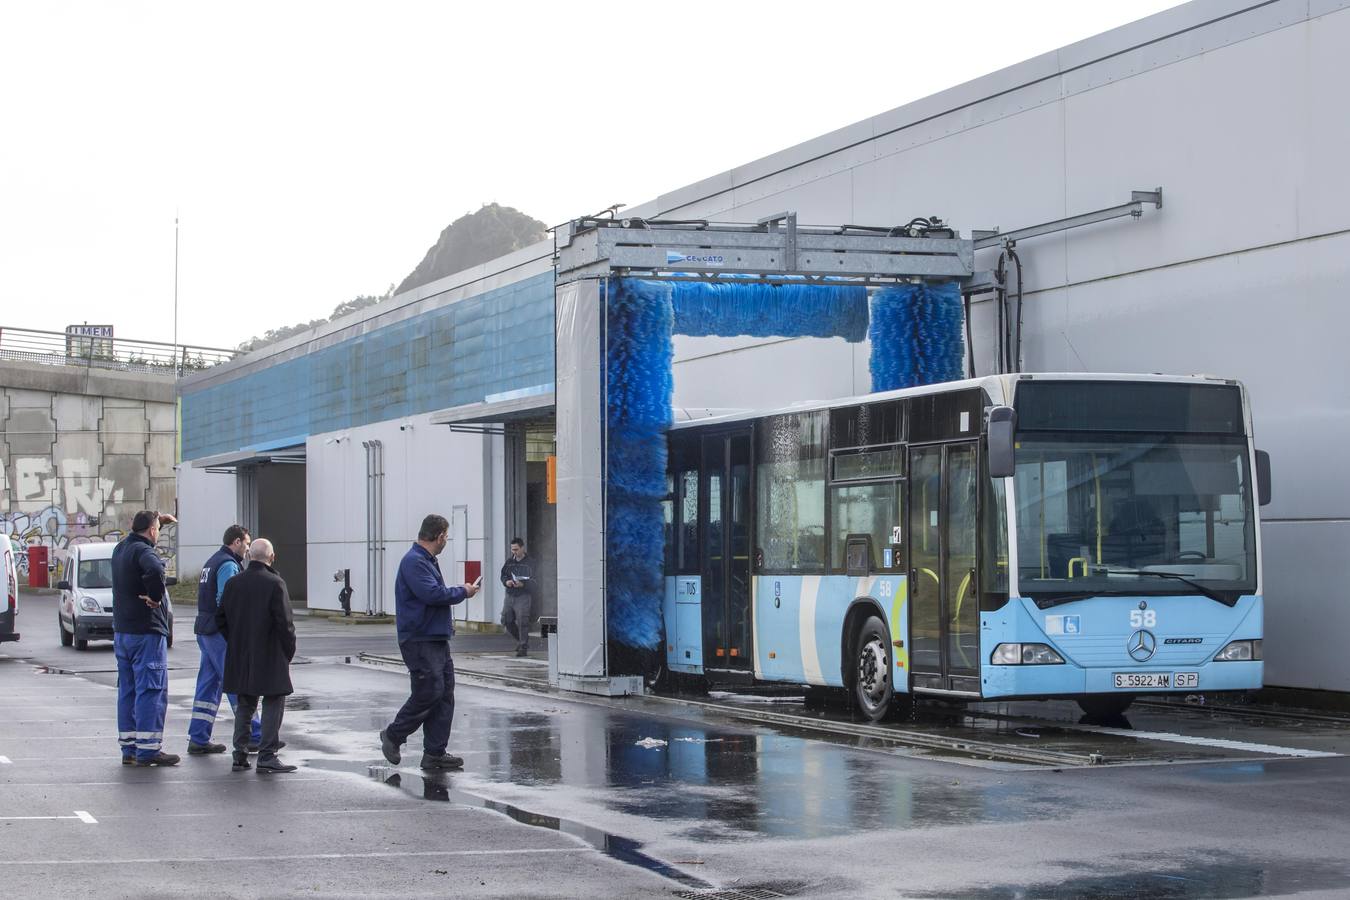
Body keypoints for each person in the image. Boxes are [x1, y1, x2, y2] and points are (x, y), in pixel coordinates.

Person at [379, 514, 480, 771]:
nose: (446, 540)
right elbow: (432, 594)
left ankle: (435, 753)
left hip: (434, 637)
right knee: (429, 691)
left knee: (444, 693)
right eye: (446, 536)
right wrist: (463, 591)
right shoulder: (415, 562)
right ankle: (394, 734)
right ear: (440, 536)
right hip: (420, 638)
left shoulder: (425, 560)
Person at [215, 539, 298, 774]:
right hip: (270, 653)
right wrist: (287, 651)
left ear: (250, 556)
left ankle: (239, 754)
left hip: (240, 653)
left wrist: (235, 640)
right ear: (271, 557)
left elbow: (220, 618)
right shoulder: (275, 583)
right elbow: (285, 624)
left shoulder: (233, 583)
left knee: (245, 703)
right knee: (273, 701)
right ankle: (267, 755)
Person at [186, 525, 262, 754]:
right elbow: (228, 600)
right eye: (246, 544)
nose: (248, 549)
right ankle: (253, 735)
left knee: (208, 685)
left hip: (205, 630)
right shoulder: (228, 565)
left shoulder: (212, 561)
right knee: (237, 681)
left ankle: (198, 738)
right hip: (219, 633)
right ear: (236, 542)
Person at [112, 509, 179, 767]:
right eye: (158, 530)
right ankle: (149, 750)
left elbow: (142, 531)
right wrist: (156, 596)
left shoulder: (121, 549)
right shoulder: (145, 552)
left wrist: (157, 520)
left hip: (123, 632)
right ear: (152, 531)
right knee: (151, 690)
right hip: (146, 633)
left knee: (127, 690)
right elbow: (154, 570)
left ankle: (129, 748)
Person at [499, 537, 534, 657]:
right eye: (512, 549)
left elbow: (536, 581)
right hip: (510, 594)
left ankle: (523, 647)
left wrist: (523, 584)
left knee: (523, 621)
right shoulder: (509, 562)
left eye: (516, 549)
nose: (514, 552)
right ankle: (521, 641)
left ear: (522, 548)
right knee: (506, 620)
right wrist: (506, 581)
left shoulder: (530, 563)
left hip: (523, 595)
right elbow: (503, 575)